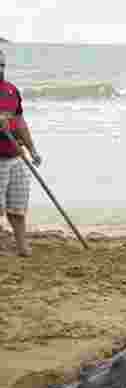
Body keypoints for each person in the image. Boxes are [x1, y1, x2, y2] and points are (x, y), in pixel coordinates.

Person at [0, 49, 43, 258]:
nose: (0, 69)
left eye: (2, 65)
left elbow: (20, 123)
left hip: (16, 156)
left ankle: (21, 246)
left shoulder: (11, 91)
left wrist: (32, 149)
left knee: (17, 207)